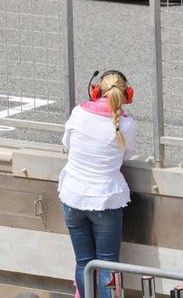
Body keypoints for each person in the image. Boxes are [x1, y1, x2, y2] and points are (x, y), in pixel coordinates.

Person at [58, 70, 138, 298]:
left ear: (95, 91)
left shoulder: (78, 113)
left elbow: (67, 143)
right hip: (106, 200)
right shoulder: (127, 125)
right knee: (108, 263)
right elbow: (127, 155)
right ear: (127, 95)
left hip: (72, 197)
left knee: (83, 261)